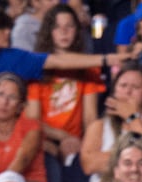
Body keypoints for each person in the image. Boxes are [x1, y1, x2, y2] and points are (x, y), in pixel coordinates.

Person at [0, 3, 122, 137]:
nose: (8, 32)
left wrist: (106, 59)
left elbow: (57, 61)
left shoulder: (15, 58)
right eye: (0, 29)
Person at [28, 5, 105, 161]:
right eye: (57, 27)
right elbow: (32, 120)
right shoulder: (36, 68)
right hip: (44, 140)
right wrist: (62, 137)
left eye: (69, 26)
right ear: (49, 32)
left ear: (77, 30)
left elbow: (90, 118)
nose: (64, 32)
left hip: (77, 142)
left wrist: (88, 145)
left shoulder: (89, 68)